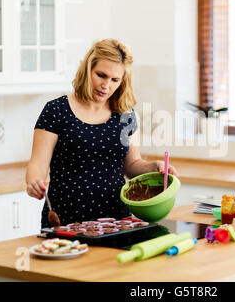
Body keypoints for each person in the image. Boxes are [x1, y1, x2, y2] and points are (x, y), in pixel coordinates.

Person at [26, 38, 178, 227]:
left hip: (116, 222)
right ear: (87, 69)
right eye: (101, 75)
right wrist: (34, 181)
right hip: (66, 221)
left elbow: (132, 165)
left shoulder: (126, 115)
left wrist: (153, 167)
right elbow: (37, 165)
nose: (107, 85)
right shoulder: (56, 111)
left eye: (115, 80)